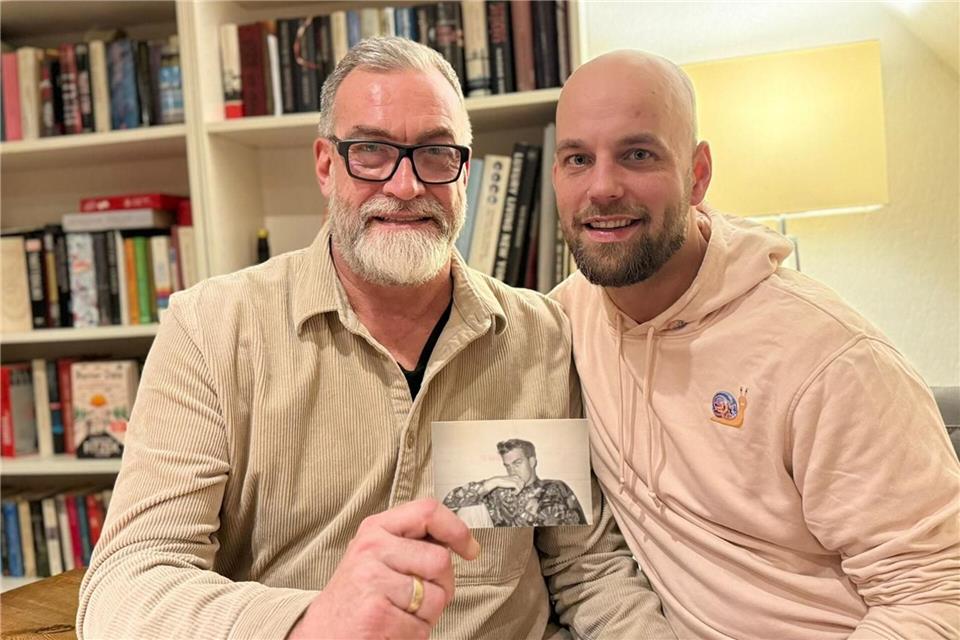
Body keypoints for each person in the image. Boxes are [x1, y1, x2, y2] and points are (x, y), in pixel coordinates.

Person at [76, 38, 676, 640]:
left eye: (436, 154)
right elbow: (127, 585)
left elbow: (584, 566)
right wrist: (310, 623)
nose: (407, 185)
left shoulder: (539, 335)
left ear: (464, 170)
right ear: (325, 165)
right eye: (371, 150)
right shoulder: (212, 329)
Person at [550, 49, 960, 639]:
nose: (604, 187)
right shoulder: (562, 325)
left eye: (638, 154)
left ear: (698, 174)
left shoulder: (829, 358)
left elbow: (937, 593)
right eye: (577, 159)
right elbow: (582, 558)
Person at [443, 439, 587, 527]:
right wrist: (492, 482)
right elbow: (448, 503)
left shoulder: (555, 487)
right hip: (502, 552)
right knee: (470, 510)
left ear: (532, 462)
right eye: (508, 466)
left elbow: (579, 526)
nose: (512, 470)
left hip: (551, 553)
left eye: (517, 463)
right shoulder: (498, 493)